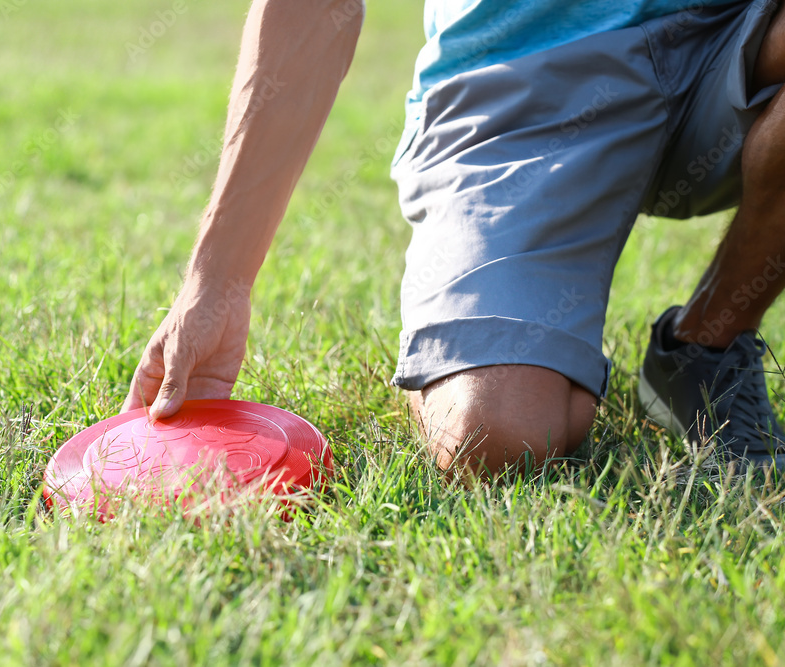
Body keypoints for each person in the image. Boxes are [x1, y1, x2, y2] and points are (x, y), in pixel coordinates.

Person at [122, 0, 785, 475]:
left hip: (727, 31)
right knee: (495, 437)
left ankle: (706, 343)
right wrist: (219, 281)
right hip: (515, 85)